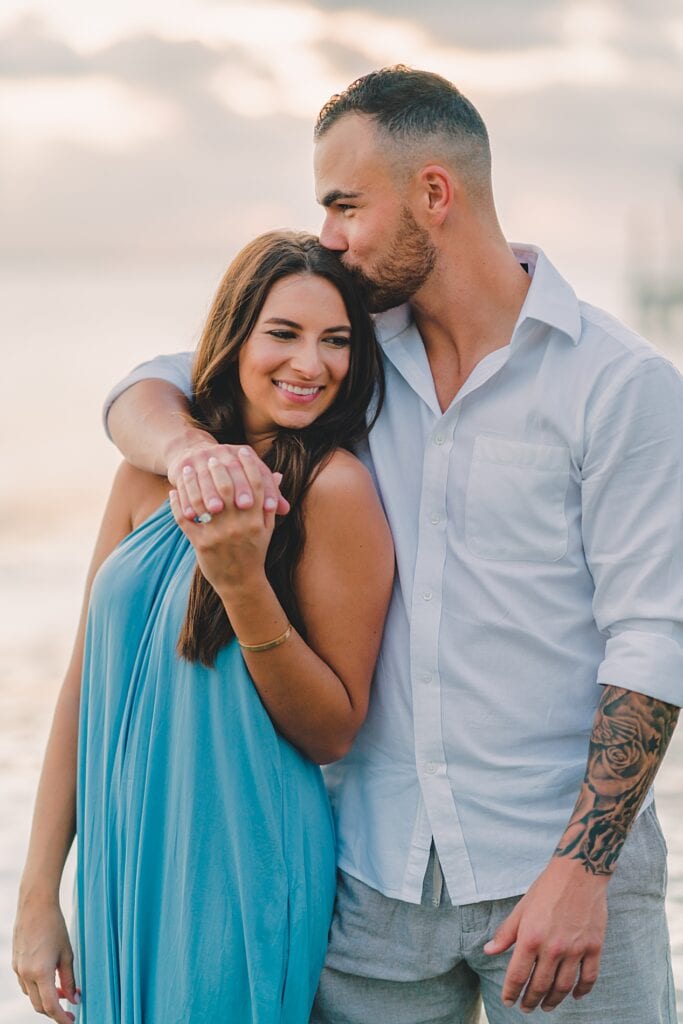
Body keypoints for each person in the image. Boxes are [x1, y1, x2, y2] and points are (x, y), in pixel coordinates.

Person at [99, 67, 682, 1023]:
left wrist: (583, 869)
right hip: (369, 885)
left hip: (565, 886)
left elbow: (652, 640)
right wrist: (194, 455)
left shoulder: (619, 387)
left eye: (343, 205)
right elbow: (154, 385)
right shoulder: (348, 360)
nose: (326, 234)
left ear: (433, 196)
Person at [12, 230, 394, 1024]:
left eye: (336, 341)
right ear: (232, 338)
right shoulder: (145, 471)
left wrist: (243, 581)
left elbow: (332, 730)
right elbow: (83, 686)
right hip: (126, 851)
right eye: (282, 333)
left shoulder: (334, 490)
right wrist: (39, 892)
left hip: (240, 854)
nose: (310, 364)